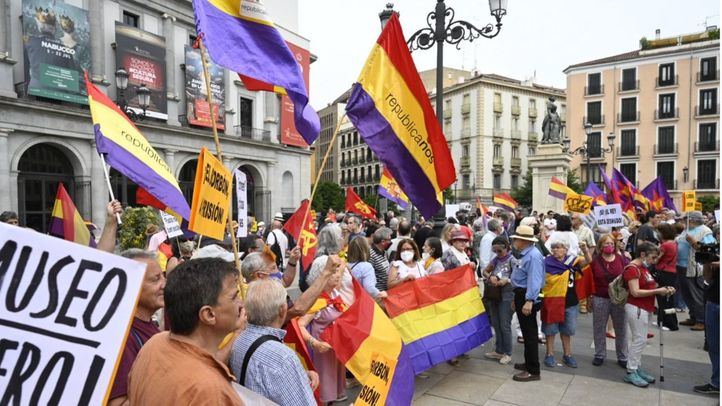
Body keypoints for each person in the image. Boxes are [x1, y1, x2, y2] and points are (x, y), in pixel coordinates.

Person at [127, 258, 245, 404]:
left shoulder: (154, 344)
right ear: (208, 314)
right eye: (234, 297)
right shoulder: (210, 392)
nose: (241, 303)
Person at [230, 279, 318, 405]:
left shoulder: (238, 339)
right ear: (282, 310)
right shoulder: (283, 357)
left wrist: (301, 375)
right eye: (287, 301)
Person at [108, 250, 165, 406]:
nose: (164, 284)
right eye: (156, 279)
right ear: (131, 285)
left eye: (163, 276)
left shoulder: (148, 325)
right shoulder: (123, 337)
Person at [623, 242, 675, 388]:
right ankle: (631, 370)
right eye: (652, 257)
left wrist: (662, 289)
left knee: (641, 339)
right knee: (639, 339)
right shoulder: (633, 269)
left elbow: (648, 286)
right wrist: (658, 291)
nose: (654, 261)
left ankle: (636, 367)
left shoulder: (643, 268)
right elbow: (635, 292)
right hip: (637, 307)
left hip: (645, 307)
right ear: (643, 254)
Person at [298, 256, 347, 404]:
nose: (338, 275)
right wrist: (314, 343)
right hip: (322, 351)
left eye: (338, 272)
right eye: (333, 272)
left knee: (334, 380)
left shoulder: (335, 293)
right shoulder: (316, 300)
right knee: (324, 382)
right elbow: (299, 325)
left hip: (336, 349)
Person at [241, 252, 342, 323]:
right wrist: (326, 272)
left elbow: (285, 281)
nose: (278, 273)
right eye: (273, 268)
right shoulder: (257, 297)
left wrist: (292, 262)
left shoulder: (267, 284)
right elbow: (298, 309)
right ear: (259, 275)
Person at [541, 240, 591, 369]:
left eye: (558, 247)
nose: (555, 250)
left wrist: (585, 250)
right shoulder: (547, 263)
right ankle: (549, 354)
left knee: (567, 330)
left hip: (570, 302)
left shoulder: (573, 261)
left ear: (566, 249)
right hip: (552, 300)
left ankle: (567, 355)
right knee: (550, 330)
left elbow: (588, 261)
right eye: (553, 248)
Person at [509, 225, 545, 382]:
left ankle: (533, 370)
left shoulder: (533, 256)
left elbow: (534, 281)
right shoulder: (527, 254)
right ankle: (528, 363)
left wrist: (529, 300)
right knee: (526, 331)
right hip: (521, 295)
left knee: (530, 334)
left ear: (523, 240)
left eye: (516, 239)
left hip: (527, 296)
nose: (515, 241)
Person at [589, 234, 629, 367]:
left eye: (611, 243)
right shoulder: (596, 260)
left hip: (618, 298)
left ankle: (623, 356)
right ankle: (599, 354)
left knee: (621, 328)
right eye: (606, 244)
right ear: (600, 246)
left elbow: (627, 275)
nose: (609, 246)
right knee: (599, 327)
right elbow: (591, 278)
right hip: (600, 297)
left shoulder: (621, 259)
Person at [677, 211, 715, 331]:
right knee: (686, 294)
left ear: (692, 220)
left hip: (694, 268)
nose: (683, 221)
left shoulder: (705, 231)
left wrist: (693, 242)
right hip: (681, 266)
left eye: (685, 219)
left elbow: (709, 249)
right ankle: (693, 316)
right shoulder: (687, 229)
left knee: (696, 295)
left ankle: (701, 320)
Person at [481, 236, 515, 365]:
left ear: (506, 248)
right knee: (496, 322)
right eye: (495, 251)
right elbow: (485, 271)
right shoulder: (495, 260)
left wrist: (507, 280)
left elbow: (517, 277)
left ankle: (508, 352)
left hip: (507, 295)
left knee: (504, 324)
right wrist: (490, 276)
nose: (497, 253)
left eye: (499, 251)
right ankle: (499, 350)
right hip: (495, 295)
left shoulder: (513, 260)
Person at [695, 260, 720, 394]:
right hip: (713, 301)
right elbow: (707, 278)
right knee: (713, 345)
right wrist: (707, 263)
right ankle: (717, 383)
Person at [655, 222, 679, 331]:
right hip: (671, 272)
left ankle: (669, 323)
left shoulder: (665, 245)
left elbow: (656, 259)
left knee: (664, 297)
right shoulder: (673, 243)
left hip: (664, 272)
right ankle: (663, 320)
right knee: (667, 297)